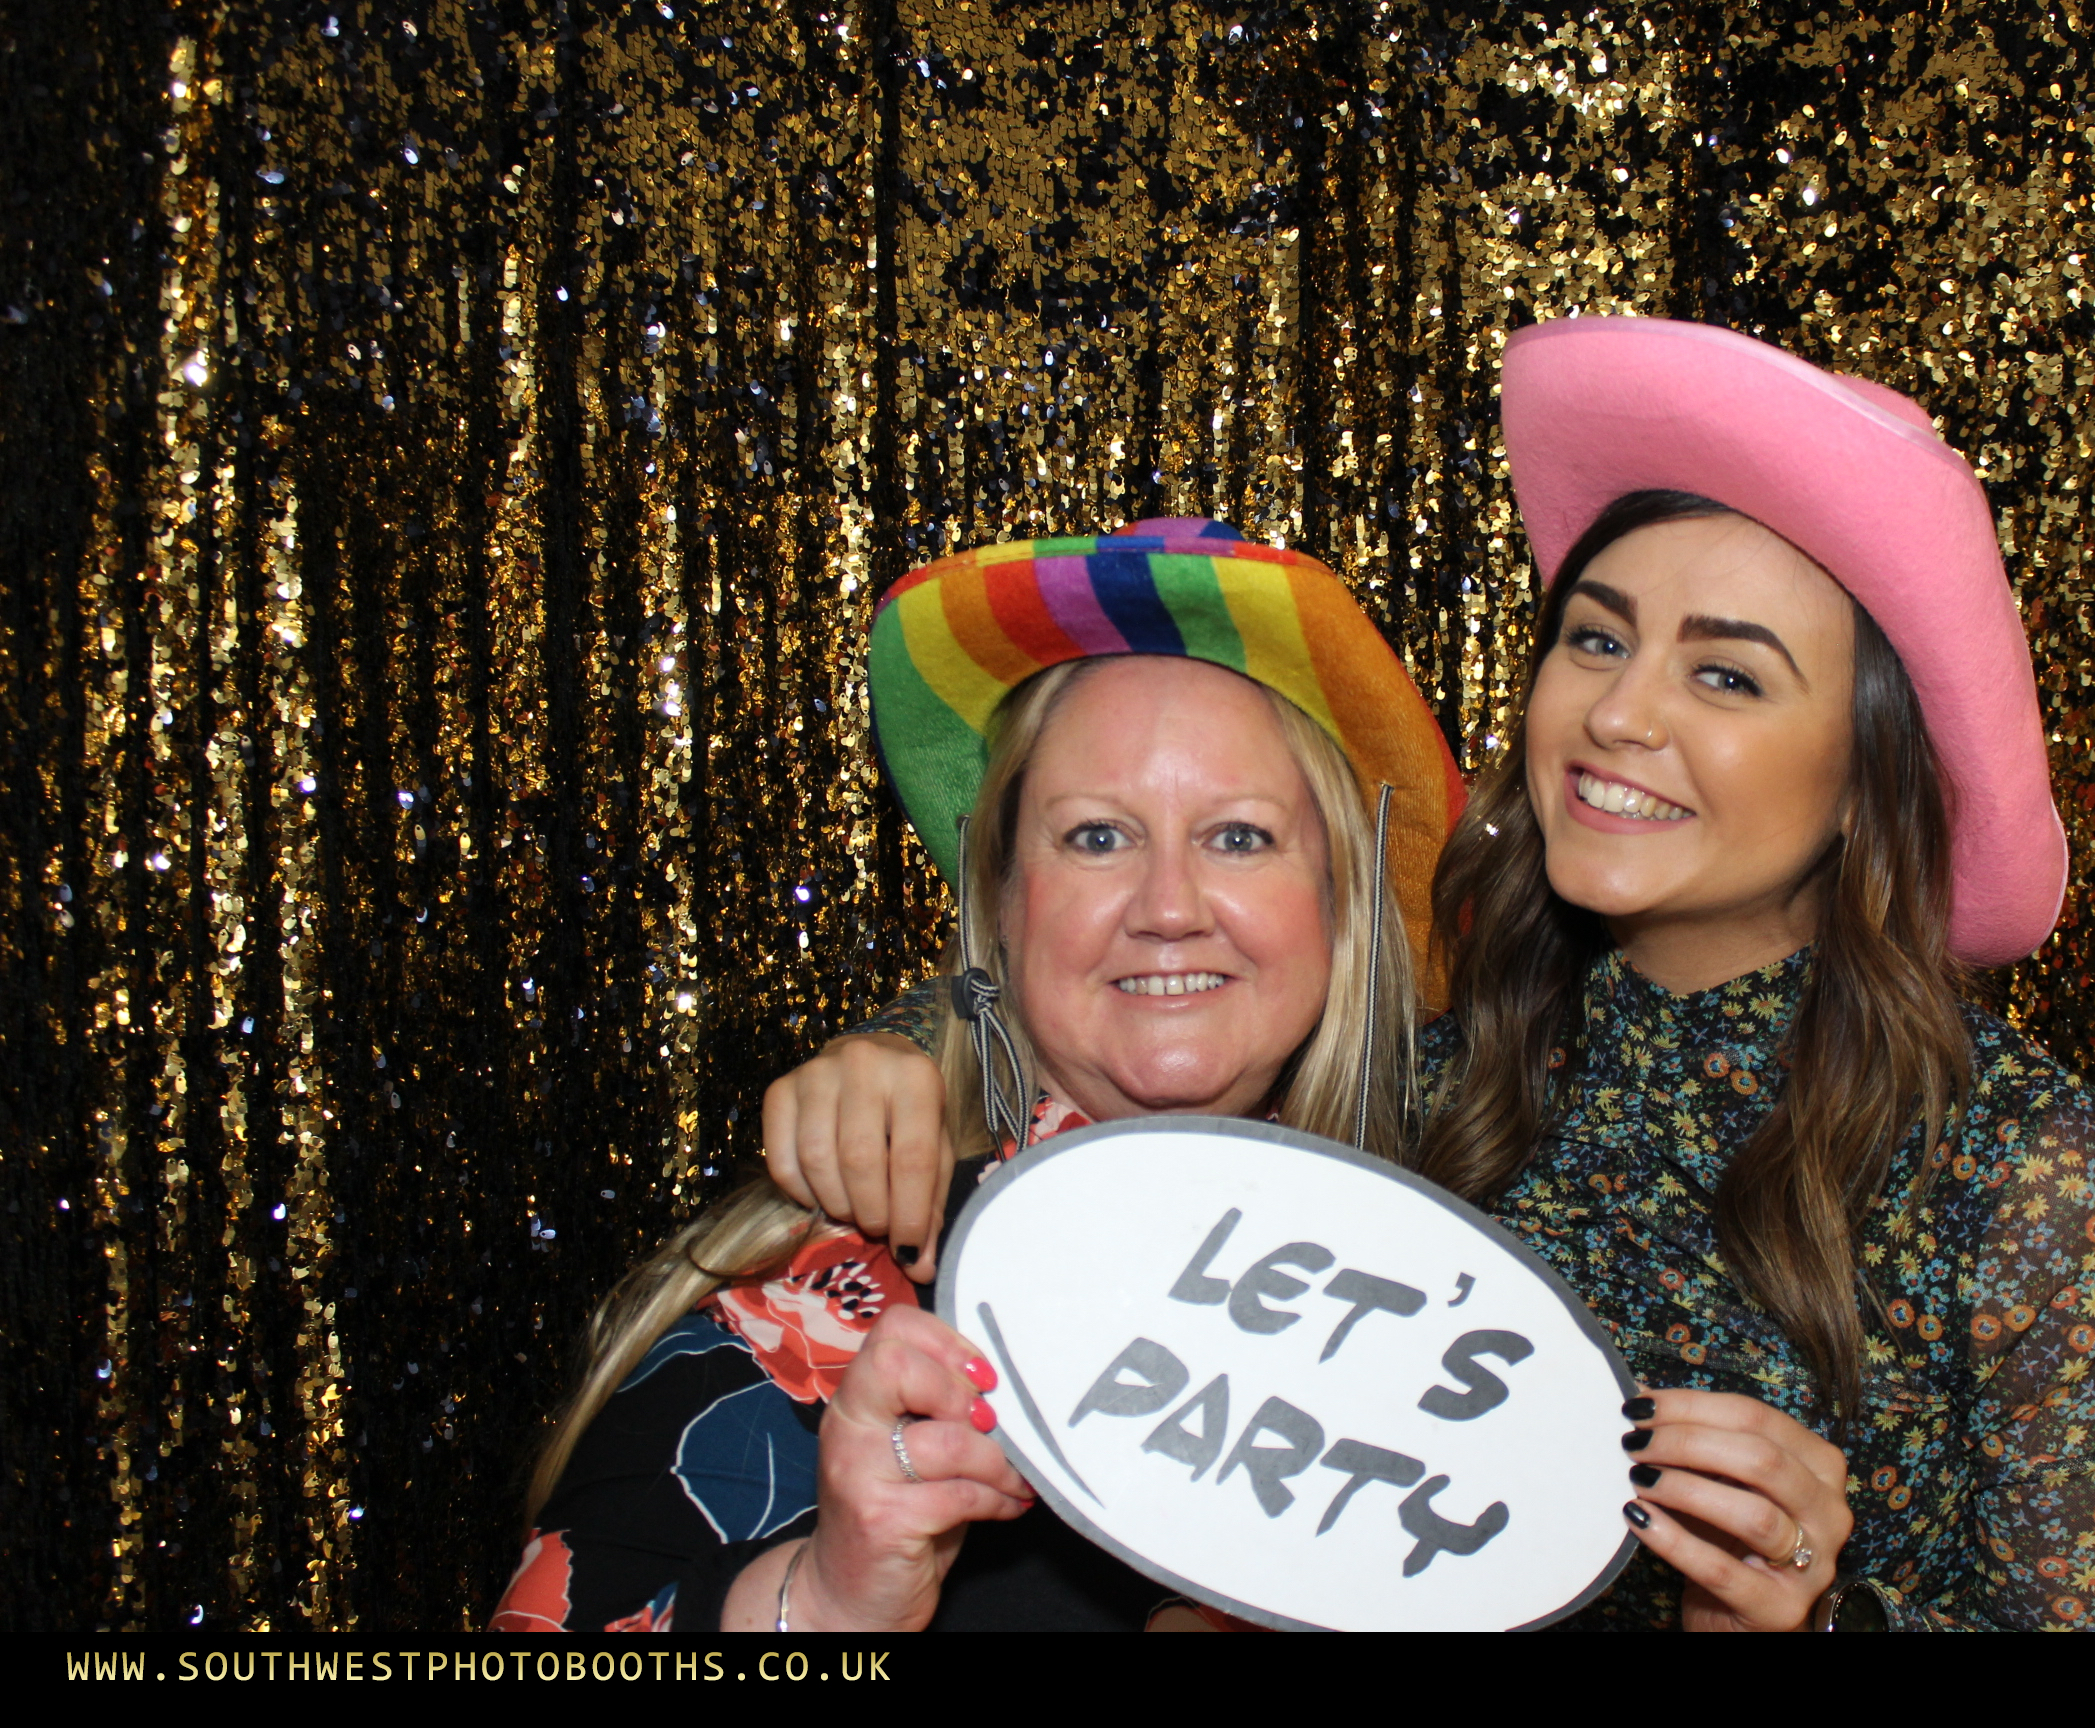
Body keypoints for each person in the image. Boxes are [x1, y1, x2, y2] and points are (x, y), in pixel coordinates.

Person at [770, 321, 2095, 1631]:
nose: (1620, 711)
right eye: (1597, 637)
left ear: (1863, 777)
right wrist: (906, 1052)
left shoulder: (2026, 1175)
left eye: (1727, 676)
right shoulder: (1440, 1067)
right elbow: (1155, 1002)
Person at [491, 518, 1462, 1633]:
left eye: (1239, 838)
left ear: (1340, 905)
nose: (1169, 907)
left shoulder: (1441, 1278)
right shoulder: (836, 1290)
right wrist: (831, 1600)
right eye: (1097, 838)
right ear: (1004, 903)